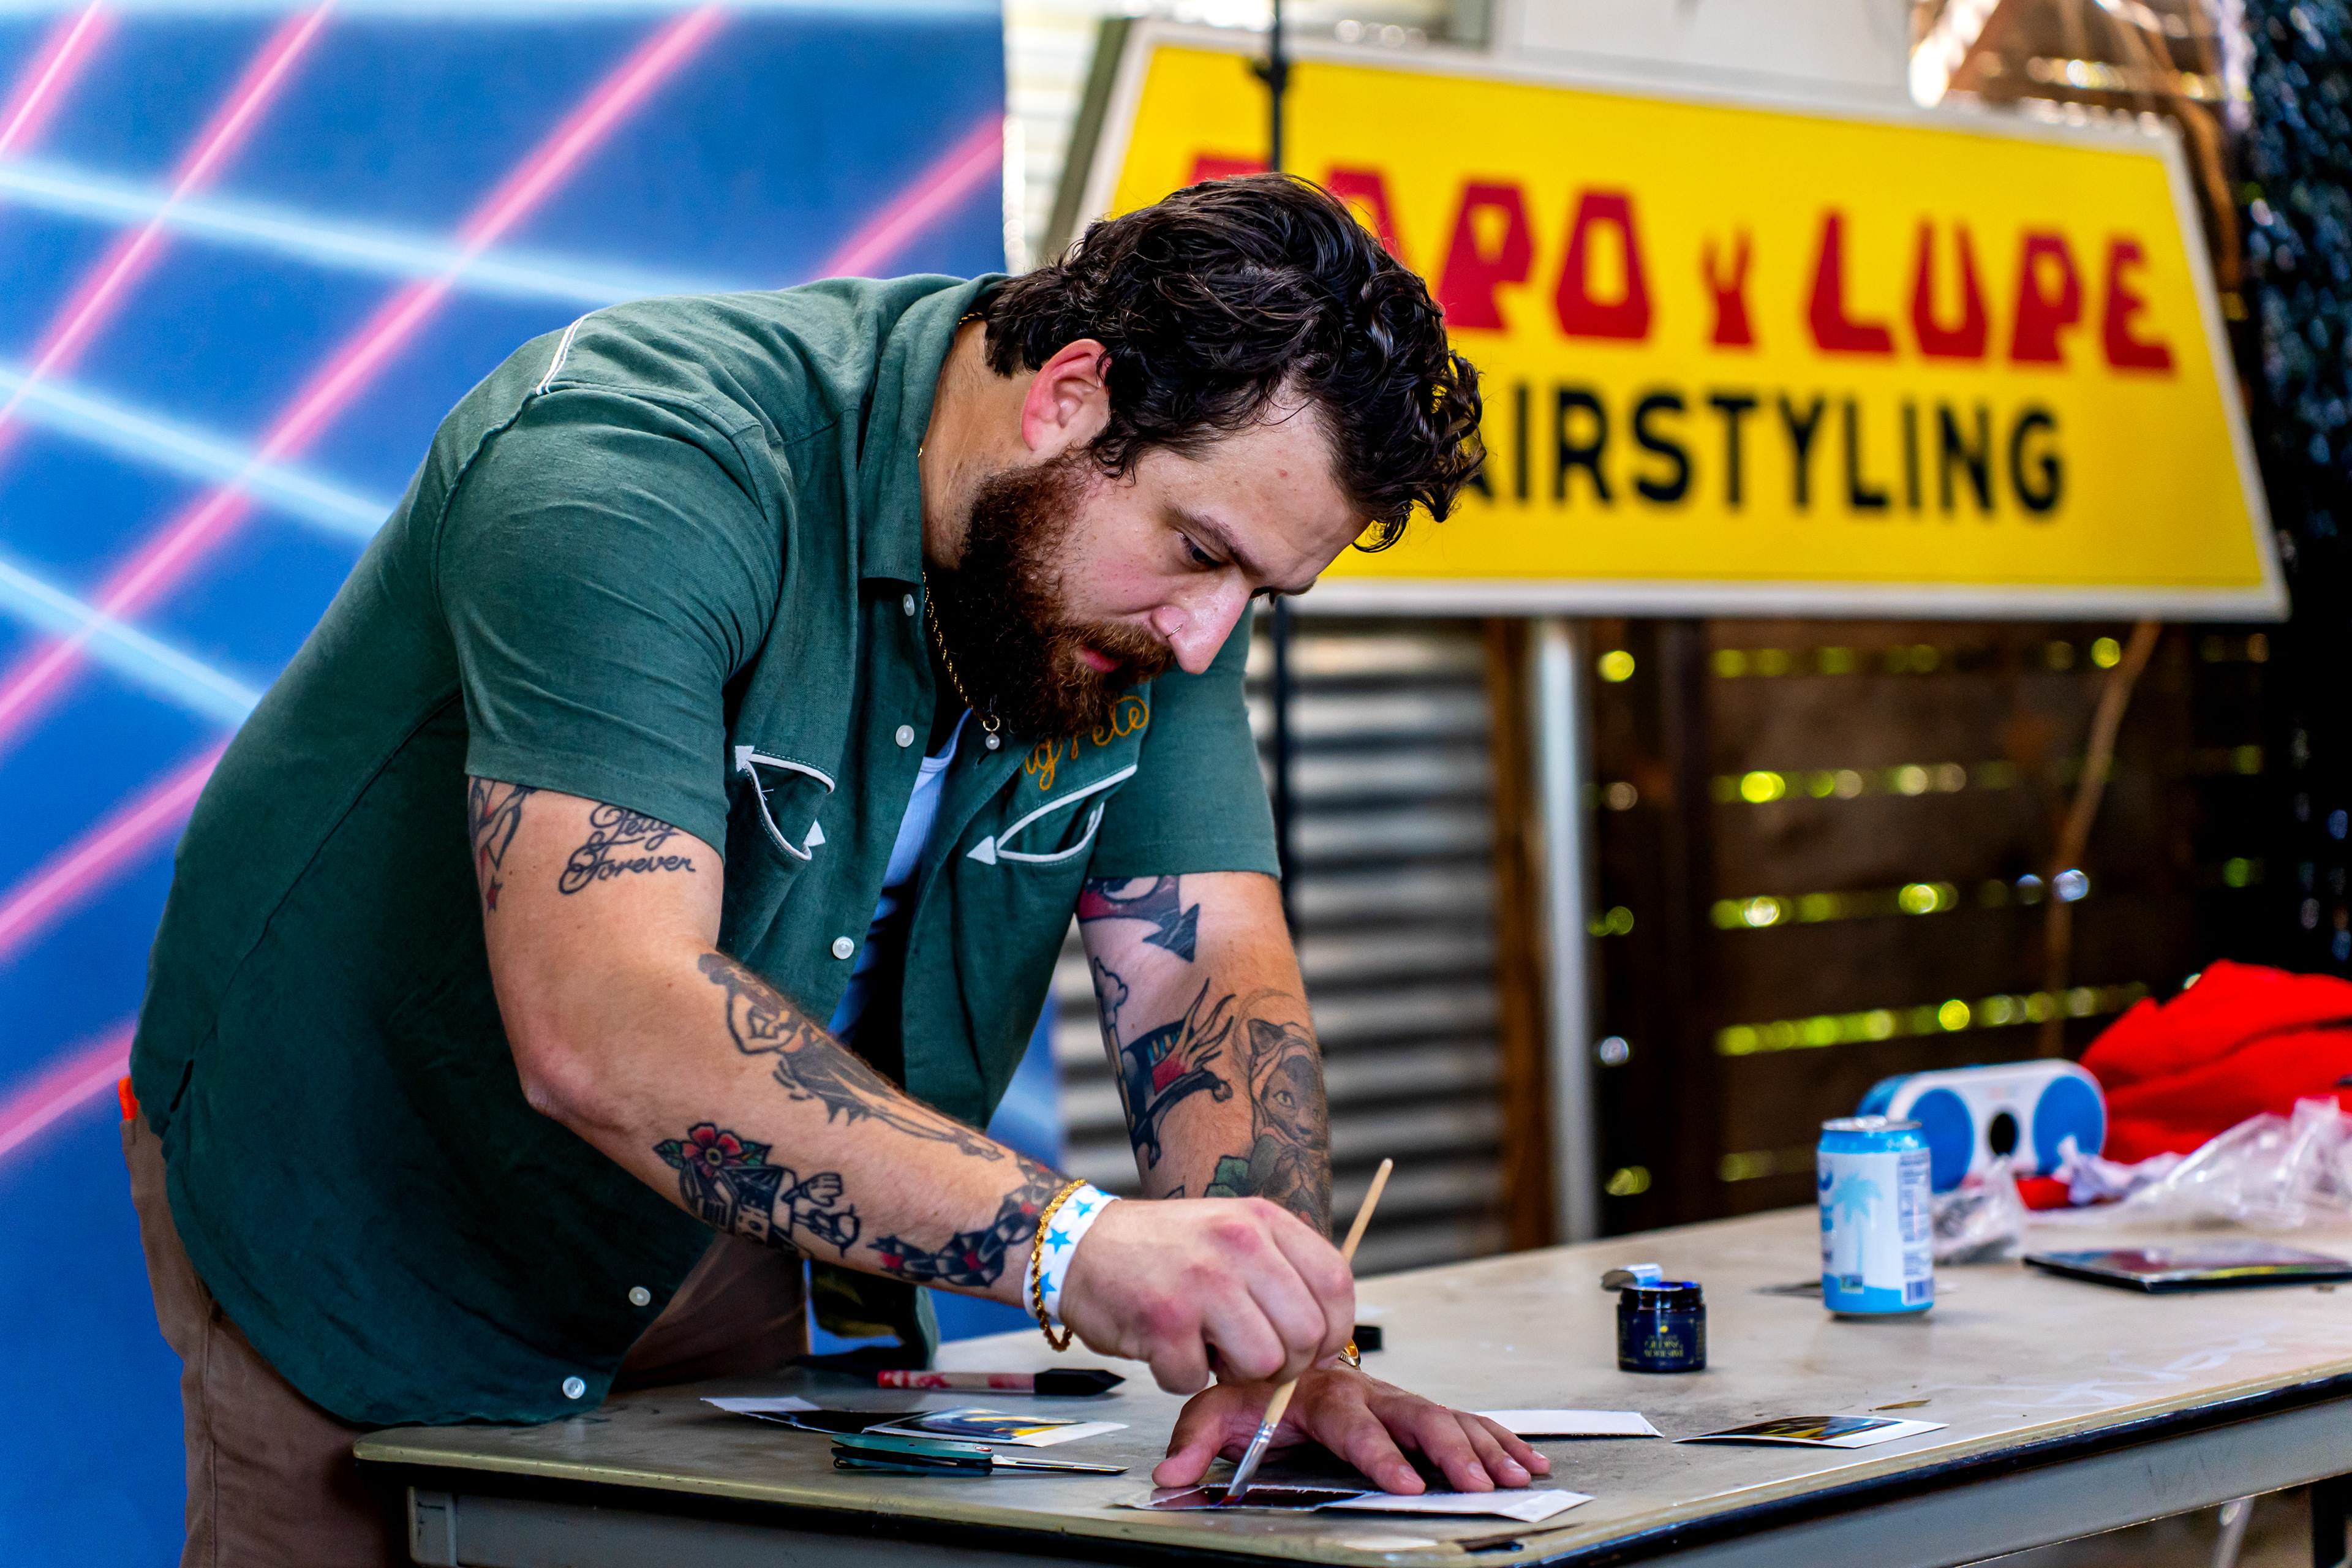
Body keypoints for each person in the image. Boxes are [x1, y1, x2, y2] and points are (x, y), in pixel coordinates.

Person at [124, 172, 1546, 1565]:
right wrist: (1074, 1246)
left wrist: (1283, 1344)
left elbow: (1204, 963)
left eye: (1259, 595)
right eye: (1200, 553)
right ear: (1069, 394)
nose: (1203, 642)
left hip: (709, 1215)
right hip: (364, 1195)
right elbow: (603, 1019)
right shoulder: (636, 460)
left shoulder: (1155, 593)